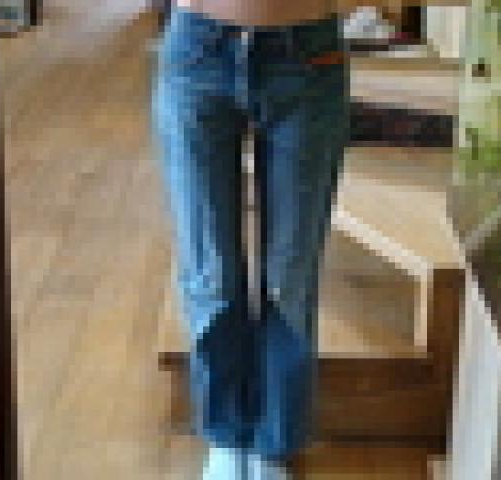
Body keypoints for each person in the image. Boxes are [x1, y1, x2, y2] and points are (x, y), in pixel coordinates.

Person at [151, 0, 364, 478]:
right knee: (210, 273)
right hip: (197, 49)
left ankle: (274, 440)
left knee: (291, 273)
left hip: (308, 54)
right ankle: (226, 434)